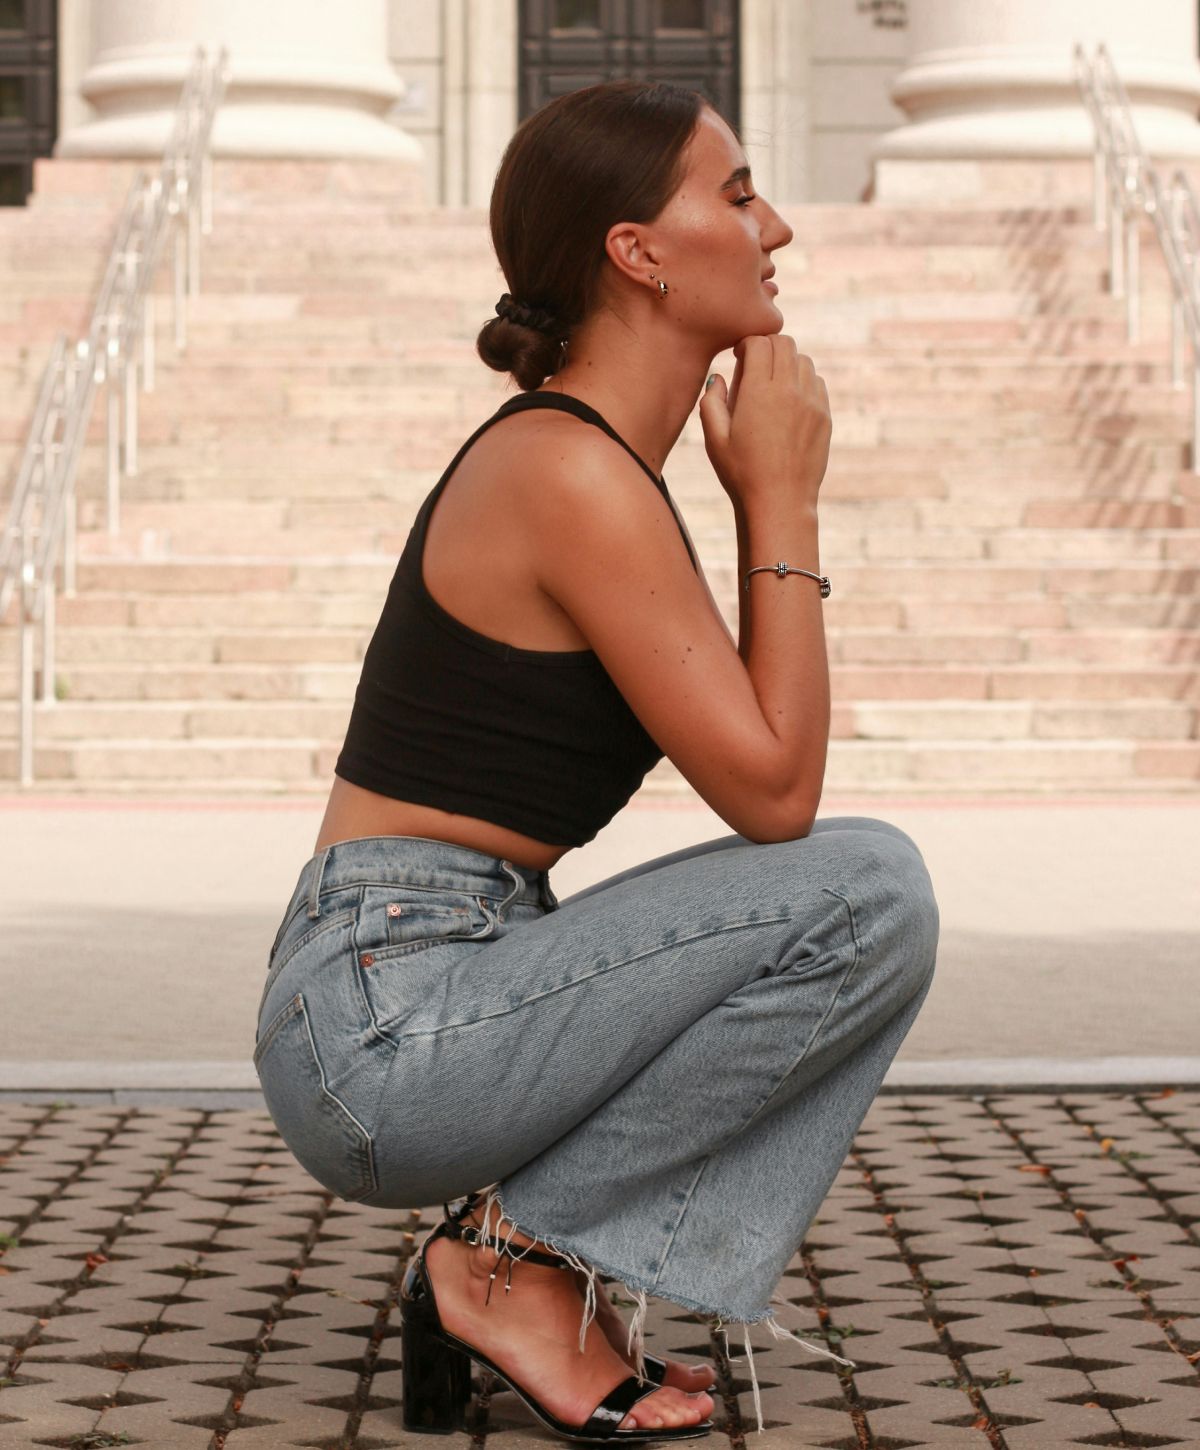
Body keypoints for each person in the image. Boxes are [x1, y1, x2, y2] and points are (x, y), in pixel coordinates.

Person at [253, 79, 940, 1443]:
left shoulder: (605, 468)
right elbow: (775, 791)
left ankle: (521, 1262)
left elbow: (765, 778)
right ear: (640, 251)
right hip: (385, 1014)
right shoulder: (565, 473)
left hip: (442, 976)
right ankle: (506, 1270)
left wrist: (763, 501)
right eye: (739, 194)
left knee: (858, 893)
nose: (779, 227)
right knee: (866, 890)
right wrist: (789, 500)